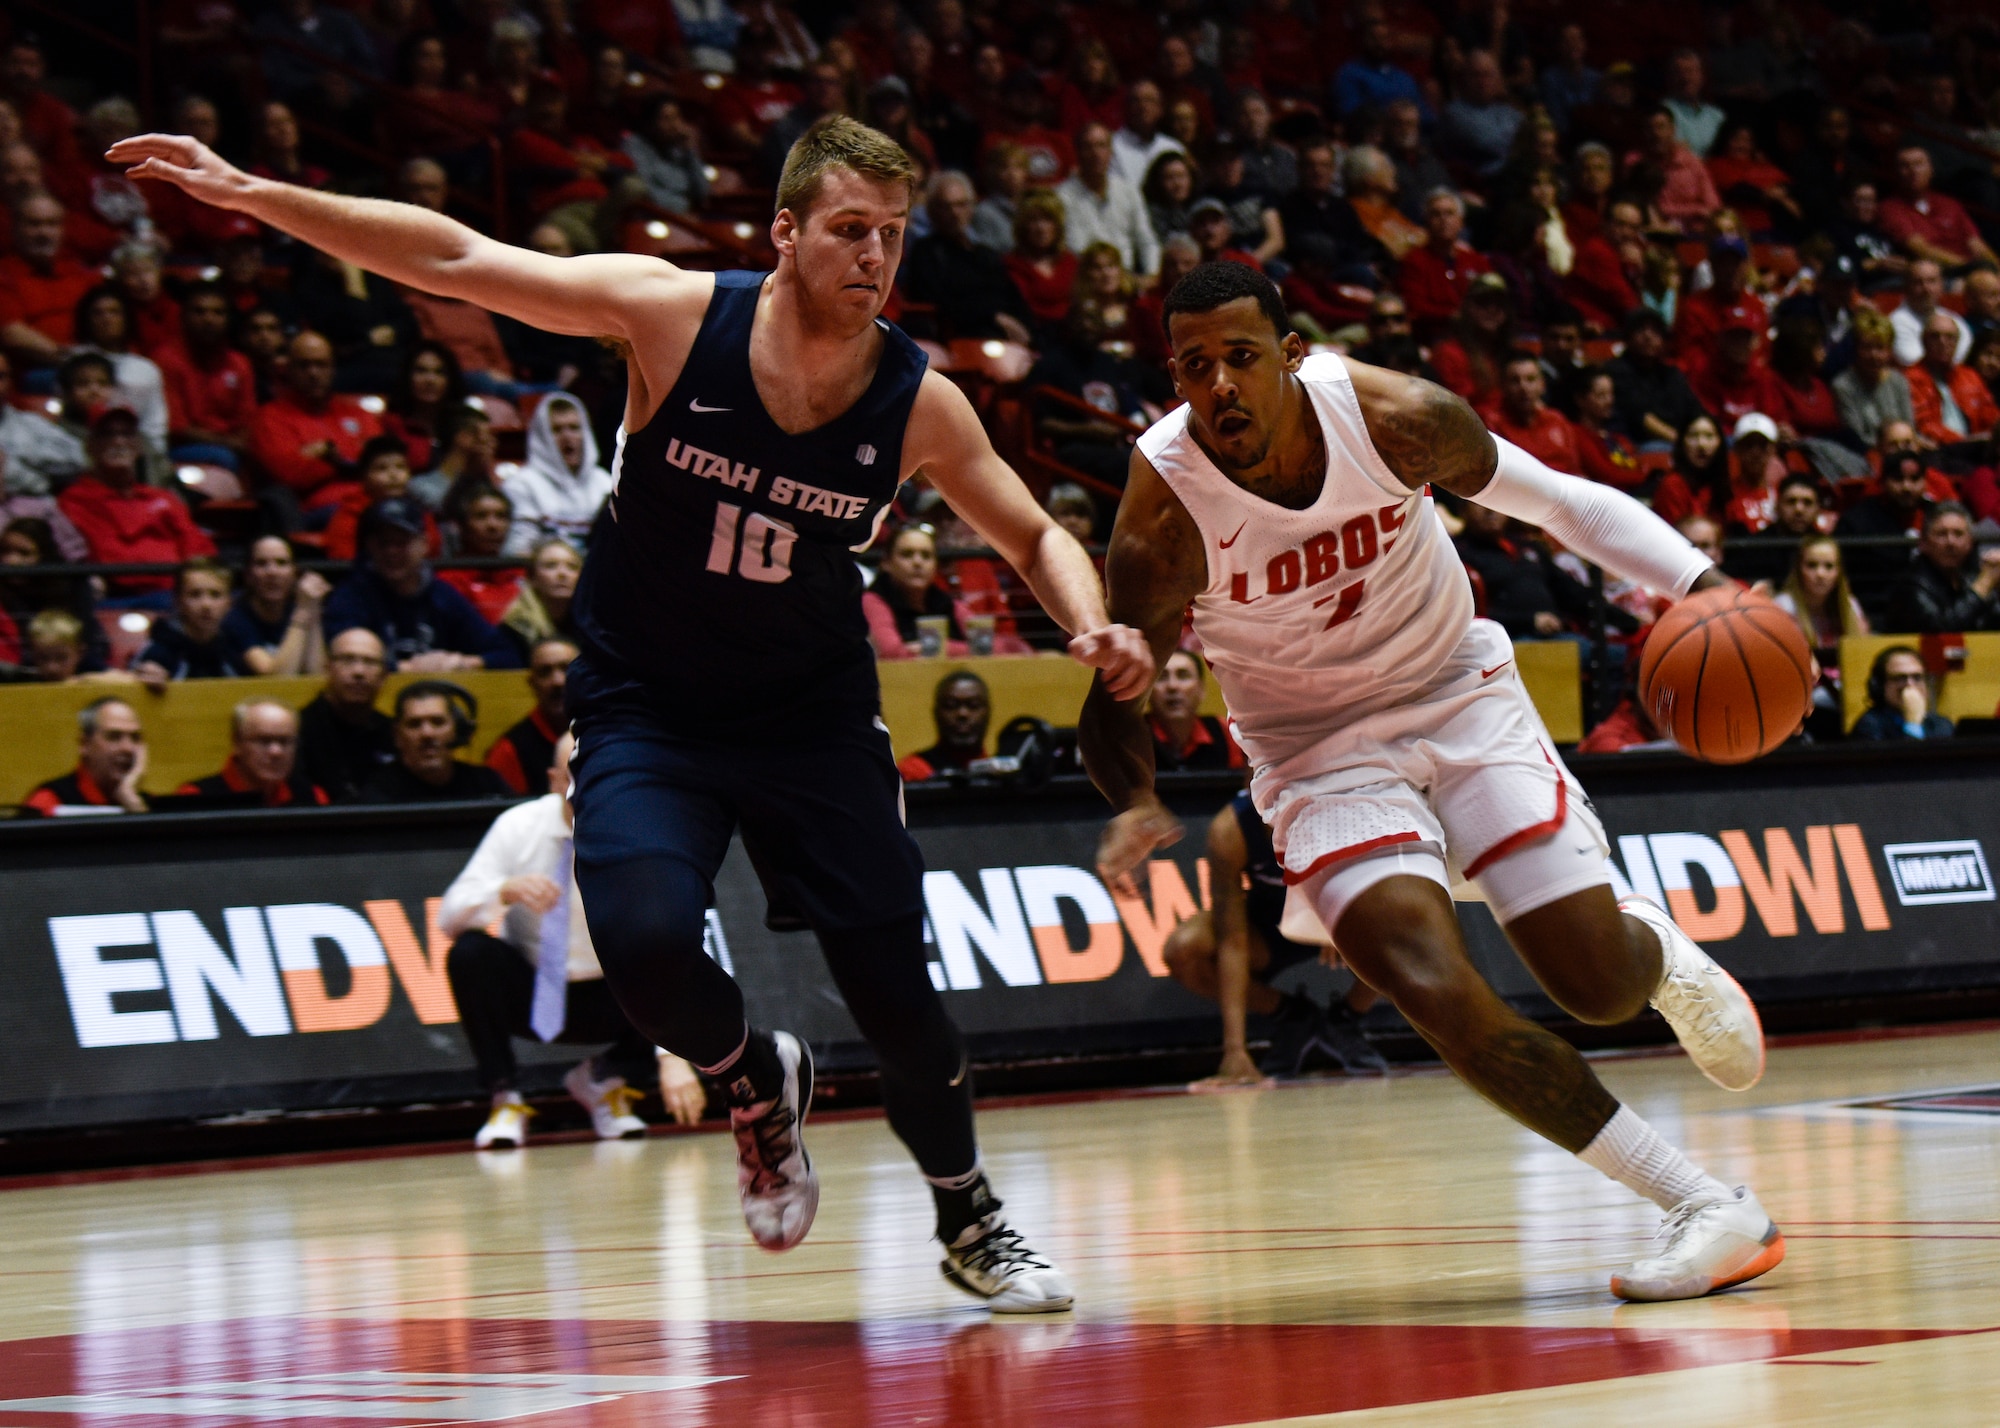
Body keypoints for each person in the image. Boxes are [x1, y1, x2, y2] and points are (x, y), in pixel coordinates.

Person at [116, 114, 1147, 1306]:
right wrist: (249, 190)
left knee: (897, 998)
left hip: (809, 714)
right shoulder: (672, 315)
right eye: (848, 230)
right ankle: (754, 1077)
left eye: (892, 235)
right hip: (646, 706)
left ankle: (969, 1217)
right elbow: (455, 261)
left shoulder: (919, 401)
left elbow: (1029, 530)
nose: (873, 257)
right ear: (783, 234)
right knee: (650, 948)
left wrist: (1087, 622)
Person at [1080, 261, 1781, 1303]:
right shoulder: (1162, 515)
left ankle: (1653, 952)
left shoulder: (1395, 418)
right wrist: (1132, 800)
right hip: (1315, 754)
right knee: (1426, 984)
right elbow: (1114, 694)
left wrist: (1702, 585)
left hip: (1458, 694)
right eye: (1192, 367)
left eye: (1238, 357)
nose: (1218, 385)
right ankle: (1699, 1204)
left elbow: (1560, 504)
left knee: (1593, 988)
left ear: (1290, 353)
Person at [443, 733, 705, 1147]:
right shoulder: (517, 826)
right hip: (533, 991)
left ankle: (604, 1080)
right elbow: (448, 916)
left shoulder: (638, 834)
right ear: (552, 780)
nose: (580, 788)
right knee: (470, 954)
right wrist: (503, 890)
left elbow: (668, 948)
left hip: (612, 996)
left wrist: (672, 1058)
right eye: (571, 775)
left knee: (681, 965)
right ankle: (504, 1097)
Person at [1165, 788, 1388, 1083]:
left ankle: (1345, 1019)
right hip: (1269, 930)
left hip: (1339, 917)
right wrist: (1235, 1050)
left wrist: (1334, 914)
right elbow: (1233, 941)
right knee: (1185, 951)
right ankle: (1295, 1018)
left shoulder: (1343, 811)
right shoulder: (1229, 831)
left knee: (1400, 923)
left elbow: (1385, 887)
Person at [323, 497, 519, 670]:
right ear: (370, 547)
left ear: (424, 544)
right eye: (384, 543)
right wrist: (408, 668)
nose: (392, 552)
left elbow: (506, 655)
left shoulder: (442, 595)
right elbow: (342, 664)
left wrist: (463, 662)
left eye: (402, 542)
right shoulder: (351, 596)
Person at [57, 405, 216, 607]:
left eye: (127, 434)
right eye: (108, 434)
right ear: (90, 445)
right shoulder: (75, 500)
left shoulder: (163, 498)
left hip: (178, 594)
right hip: (118, 598)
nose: (119, 441)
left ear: (139, 445)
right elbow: (110, 557)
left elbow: (198, 547)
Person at [247, 330, 386, 518]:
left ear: (332, 368)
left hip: (374, 505)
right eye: (304, 366)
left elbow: (382, 462)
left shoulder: (357, 413)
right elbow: (290, 476)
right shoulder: (270, 418)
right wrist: (347, 462)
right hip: (317, 512)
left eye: (321, 365)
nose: (313, 373)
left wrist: (324, 456)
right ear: (289, 369)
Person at [155, 282, 258, 470]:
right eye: (199, 312)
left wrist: (242, 443)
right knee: (224, 458)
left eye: (218, 312)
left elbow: (247, 419)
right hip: (182, 448)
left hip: (231, 446)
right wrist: (229, 443)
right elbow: (176, 428)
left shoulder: (240, 363)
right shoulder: (166, 359)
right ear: (184, 317)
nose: (209, 319)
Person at [357, 679, 514, 802]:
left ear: (458, 731)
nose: (427, 734)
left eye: (438, 722)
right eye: (414, 724)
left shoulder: (488, 785)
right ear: (398, 736)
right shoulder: (377, 793)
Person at [1773, 536, 1867, 739]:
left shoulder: (1850, 607)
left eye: (1829, 566)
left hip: (1847, 697)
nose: (1820, 574)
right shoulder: (1782, 607)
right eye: (1812, 566)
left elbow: (1862, 660)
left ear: (1838, 572)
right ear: (1798, 570)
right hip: (1801, 701)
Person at [504, 394, 613, 553]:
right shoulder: (522, 484)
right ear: (542, 435)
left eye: (574, 428)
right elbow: (518, 551)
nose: (567, 437)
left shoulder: (605, 483)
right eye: (557, 429)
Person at [298, 626, 395, 800]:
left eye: (370, 662)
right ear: (328, 668)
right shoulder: (298, 731)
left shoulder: (394, 733)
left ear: (384, 676)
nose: (359, 672)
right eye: (347, 660)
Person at [176, 698, 329, 807]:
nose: (276, 752)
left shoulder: (313, 798)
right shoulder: (195, 798)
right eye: (263, 741)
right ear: (237, 743)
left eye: (285, 741)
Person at [1057, 124, 1158, 280]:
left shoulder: (1128, 191)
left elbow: (1147, 241)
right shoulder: (1061, 197)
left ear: (1111, 152)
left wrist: (1152, 274)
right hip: (1084, 281)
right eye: (1088, 147)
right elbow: (1068, 250)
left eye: (1101, 146)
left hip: (1128, 279)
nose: (1096, 153)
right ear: (1077, 152)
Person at [22, 696, 149, 815]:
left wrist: (132, 802)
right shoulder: (49, 802)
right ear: (85, 744)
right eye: (114, 737)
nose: (127, 748)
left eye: (135, 738)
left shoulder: (148, 804)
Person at [1885, 502, 2000, 634]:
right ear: (1923, 543)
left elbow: (1992, 622)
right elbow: (1942, 630)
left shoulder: (1969, 577)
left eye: (1958, 534)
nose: (1951, 542)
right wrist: (1984, 584)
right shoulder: (1910, 585)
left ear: (1970, 543)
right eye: (1941, 534)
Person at [223, 534, 329, 676]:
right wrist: (302, 613)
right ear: (248, 575)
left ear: (295, 573)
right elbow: (275, 678)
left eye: (281, 563)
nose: (272, 572)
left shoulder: (301, 607)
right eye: (261, 563)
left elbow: (317, 675)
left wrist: (313, 609)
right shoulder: (235, 618)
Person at [1880, 145, 1997, 273]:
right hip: (1934, 273)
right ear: (1896, 172)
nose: (1913, 171)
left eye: (1918, 164)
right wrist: (1970, 267)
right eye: (1905, 166)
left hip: (1975, 271)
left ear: (1931, 169)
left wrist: (1996, 267)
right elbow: (1921, 249)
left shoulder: (1949, 203)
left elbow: (1976, 244)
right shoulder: (1890, 208)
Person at [132, 557, 250, 682]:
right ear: (178, 601)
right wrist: (143, 677)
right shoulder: (159, 650)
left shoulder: (236, 647)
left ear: (229, 602)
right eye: (195, 594)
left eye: (215, 595)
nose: (206, 605)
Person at [487, 637, 577, 795]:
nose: (557, 681)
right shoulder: (509, 750)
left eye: (566, 668)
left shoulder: (610, 730)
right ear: (531, 683)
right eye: (545, 672)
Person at [863, 522, 964, 658]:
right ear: (886, 563)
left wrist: (939, 648)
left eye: (926, 555)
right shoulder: (872, 600)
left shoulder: (947, 602)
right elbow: (891, 652)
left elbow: (992, 644)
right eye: (907, 554)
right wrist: (958, 650)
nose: (917, 562)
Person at [1905, 311, 2000, 447]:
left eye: (1950, 337)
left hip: (1977, 447)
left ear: (1957, 342)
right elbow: (1924, 424)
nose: (1943, 342)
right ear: (1923, 341)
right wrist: (1962, 441)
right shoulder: (1911, 378)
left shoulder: (1970, 376)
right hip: (1938, 448)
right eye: (1935, 337)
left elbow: (1990, 413)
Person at [1146, 648, 1242, 772]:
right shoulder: (1133, 735)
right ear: (1147, 690)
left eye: (1183, 675)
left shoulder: (1224, 731)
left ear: (1201, 689)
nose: (1172, 686)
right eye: (1162, 677)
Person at [1834, 309, 1916, 450]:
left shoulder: (1898, 381)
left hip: (1903, 450)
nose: (1873, 355)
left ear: (1889, 351)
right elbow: (1857, 436)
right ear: (1856, 349)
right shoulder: (1843, 386)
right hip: (1868, 454)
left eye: (1880, 348)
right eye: (1867, 347)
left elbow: (1909, 427)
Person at [498, 537, 584, 665]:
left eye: (572, 567)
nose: (562, 573)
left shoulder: (594, 624)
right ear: (532, 577)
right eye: (551, 566)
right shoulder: (516, 626)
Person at [895, 668, 989, 782]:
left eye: (973, 705)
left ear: (988, 712)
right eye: (951, 705)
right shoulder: (911, 773)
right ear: (936, 713)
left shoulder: (1004, 776)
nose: (962, 714)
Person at [1851, 645, 1953, 741]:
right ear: (1880, 685)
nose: (1910, 684)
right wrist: (1913, 725)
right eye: (1900, 678)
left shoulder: (1941, 725)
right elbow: (1908, 760)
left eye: (1917, 677)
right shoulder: (1868, 727)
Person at [1890, 260, 1970, 370]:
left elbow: (1965, 355)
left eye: (1932, 281)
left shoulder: (1955, 320)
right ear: (1906, 286)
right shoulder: (1896, 322)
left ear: (1942, 284)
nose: (1926, 288)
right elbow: (1911, 360)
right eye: (1918, 282)